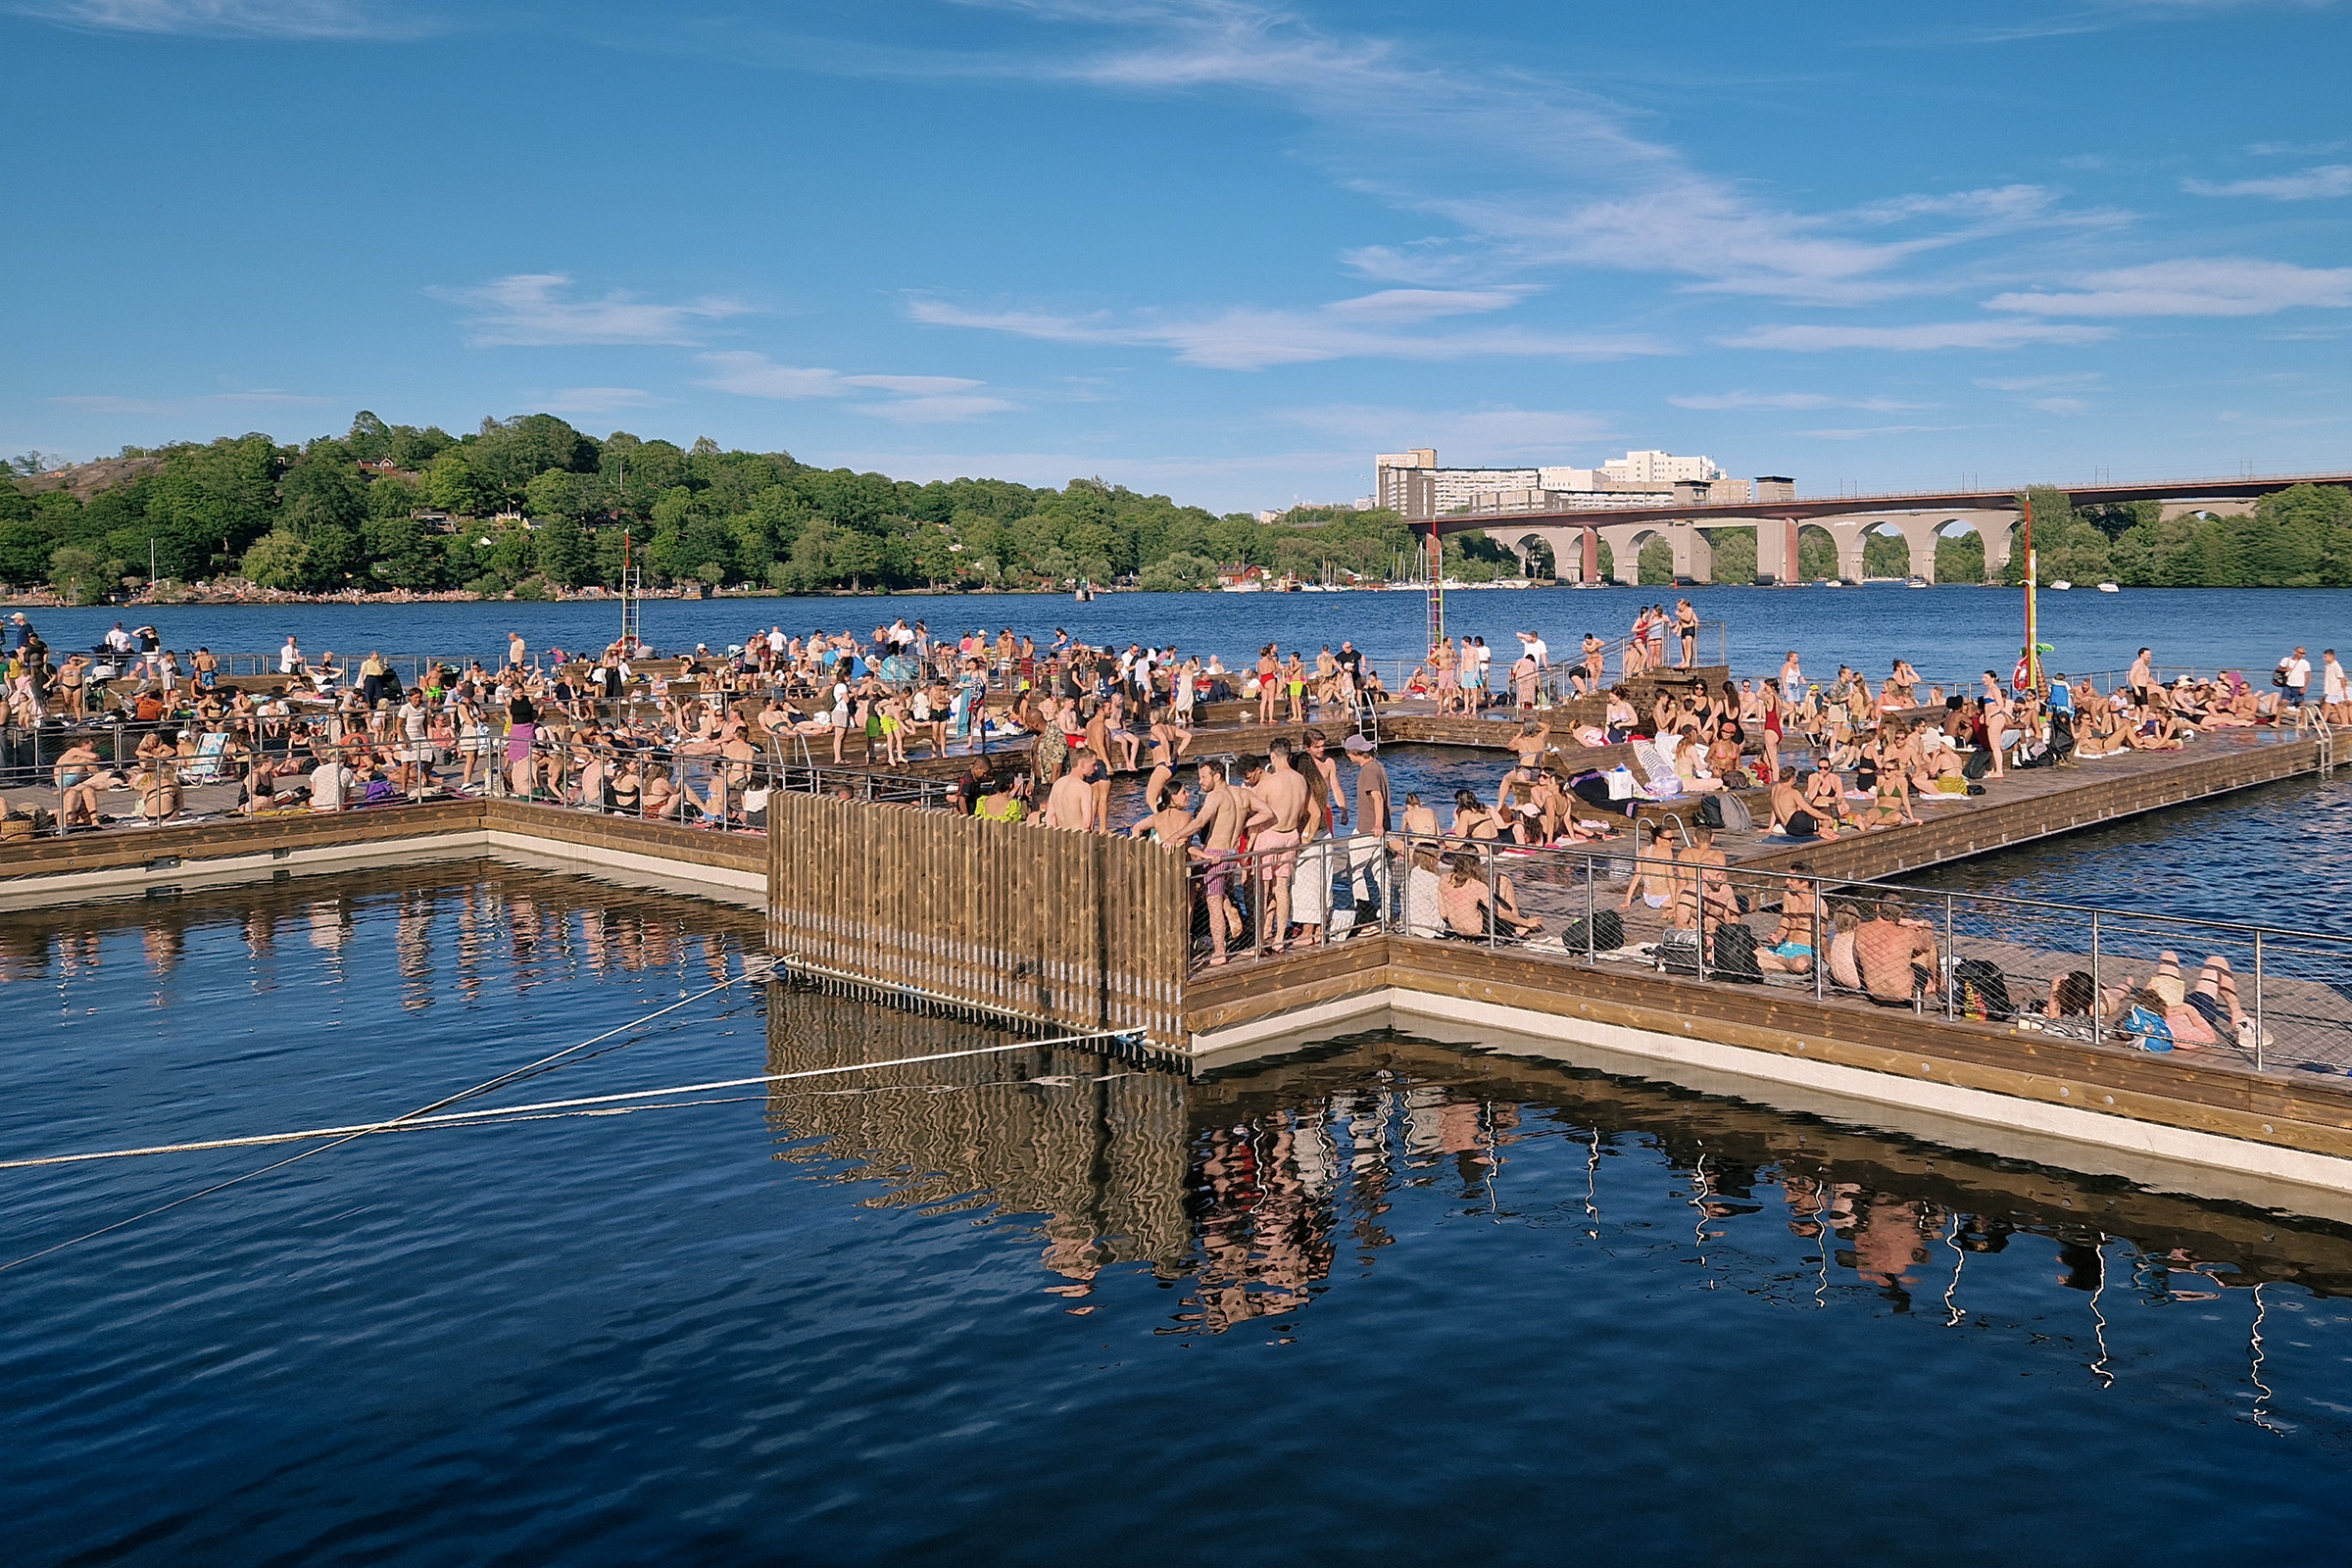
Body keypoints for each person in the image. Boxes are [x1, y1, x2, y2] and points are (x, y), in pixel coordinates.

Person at [1852, 897, 1939, 1005]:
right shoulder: (1908, 934)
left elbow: (1856, 960)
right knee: (1929, 946)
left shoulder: (1860, 929)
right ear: (1901, 912)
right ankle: (1938, 986)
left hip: (1875, 993)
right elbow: (1926, 945)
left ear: (1877, 907)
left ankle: (1934, 984)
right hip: (1904, 996)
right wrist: (1927, 926)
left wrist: (1901, 923)